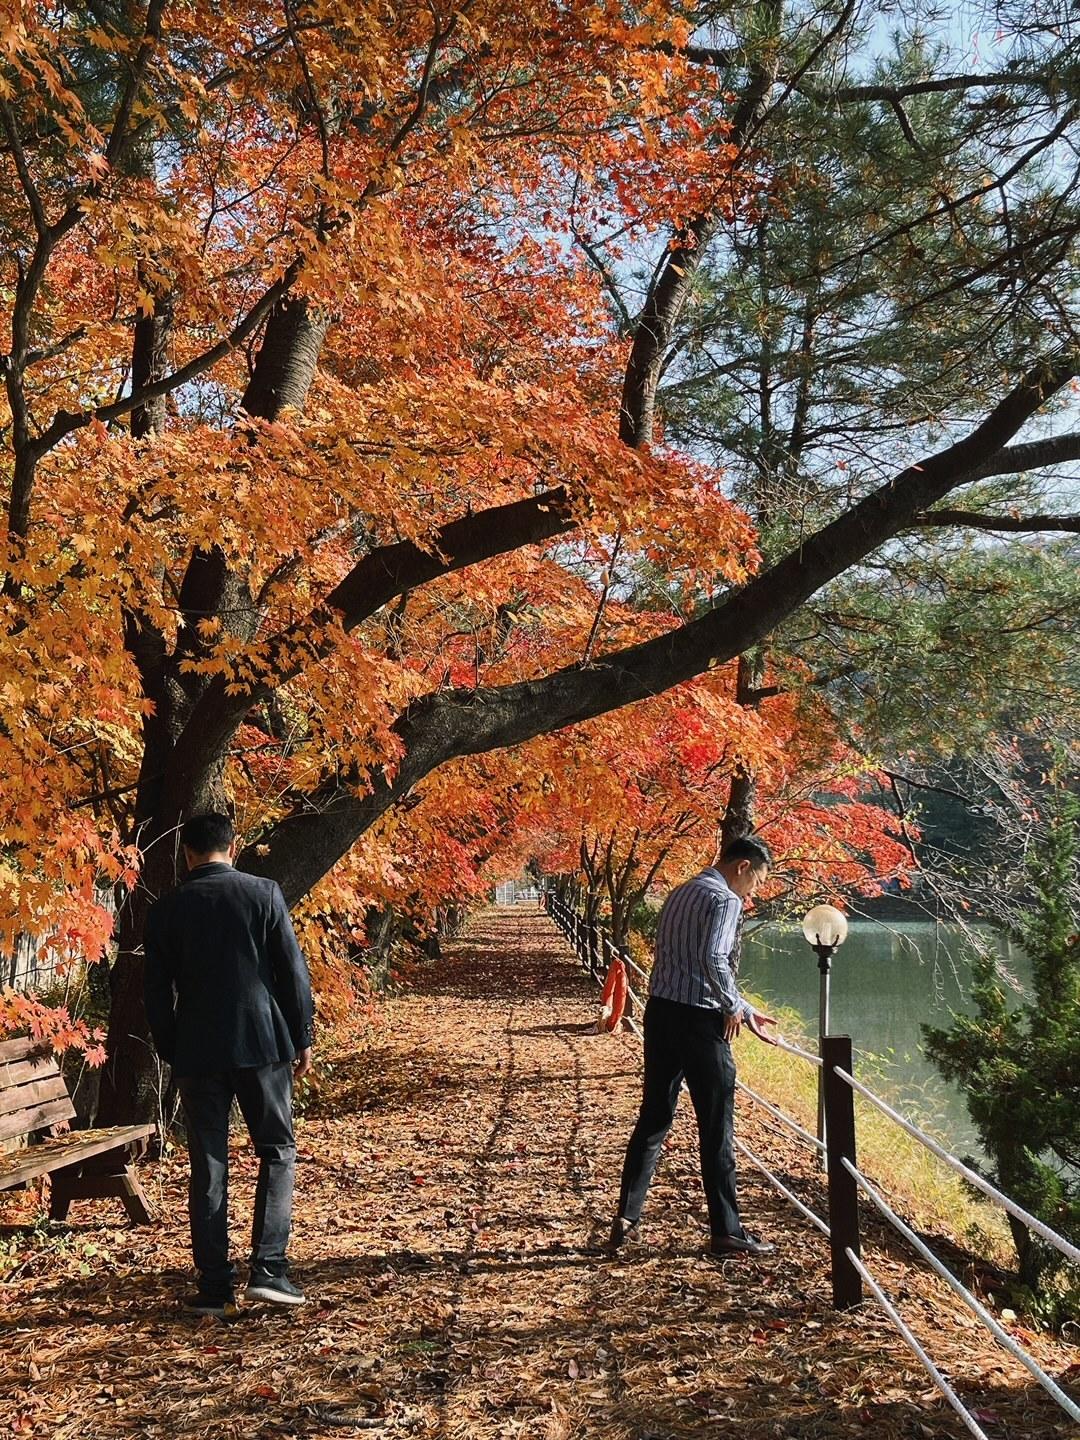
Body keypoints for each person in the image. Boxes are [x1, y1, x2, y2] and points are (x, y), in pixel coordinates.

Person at [144, 812, 315, 1316]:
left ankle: (215, 1286)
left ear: (186, 853)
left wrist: (173, 1046)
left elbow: (155, 993)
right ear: (232, 846)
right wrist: (301, 1035)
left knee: (208, 1162)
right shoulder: (263, 894)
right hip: (261, 1042)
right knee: (278, 1148)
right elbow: (292, 972)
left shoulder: (168, 908)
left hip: (198, 1049)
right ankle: (268, 1269)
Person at [609, 835, 779, 1258]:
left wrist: (743, 1005)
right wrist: (734, 1006)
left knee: (654, 1117)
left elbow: (675, 958)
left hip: (661, 1013)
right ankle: (727, 1229)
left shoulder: (681, 892)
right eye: (755, 881)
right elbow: (714, 959)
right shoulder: (724, 900)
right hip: (700, 1022)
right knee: (716, 1126)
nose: (752, 892)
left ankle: (627, 1216)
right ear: (741, 867)